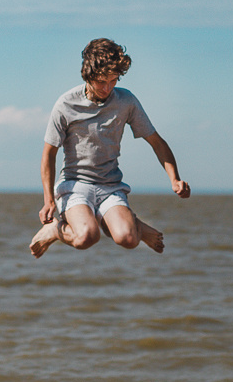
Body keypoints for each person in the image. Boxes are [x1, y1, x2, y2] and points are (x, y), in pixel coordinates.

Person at [30, 38, 190, 258]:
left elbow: (156, 142)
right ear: (88, 75)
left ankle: (135, 227)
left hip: (110, 186)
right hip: (75, 185)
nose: (107, 88)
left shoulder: (126, 101)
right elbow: (49, 154)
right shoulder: (66, 104)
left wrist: (175, 179)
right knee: (87, 236)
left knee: (128, 239)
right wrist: (48, 200)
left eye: (113, 80)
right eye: (101, 81)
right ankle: (56, 231)